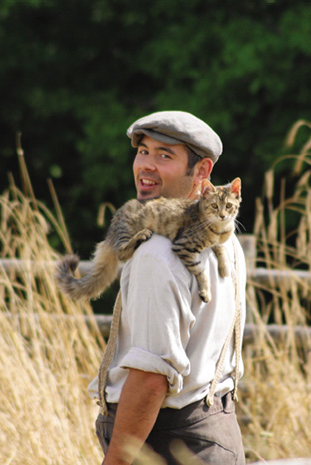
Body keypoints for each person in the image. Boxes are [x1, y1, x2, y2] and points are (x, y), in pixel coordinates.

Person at [90, 111, 247, 465]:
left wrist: (115, 462)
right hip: (217, 438)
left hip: (167, 447)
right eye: (143, 151)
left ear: (202, 172)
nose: (146, 165)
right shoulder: (226, 239)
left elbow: (150, 379)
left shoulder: (157, 255)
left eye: (164, 156)